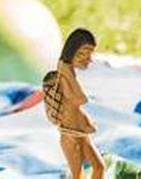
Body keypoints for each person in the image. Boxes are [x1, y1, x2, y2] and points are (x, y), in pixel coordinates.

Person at [44, 28, 104, 179]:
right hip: (70, 135)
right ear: (71, 51)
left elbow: (73, 105)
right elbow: (80, 99)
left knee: (98, 167)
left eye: (90, 54)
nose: (89, 59)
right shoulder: (64, 72)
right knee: (80, 174)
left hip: (78, 132)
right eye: (83, 53)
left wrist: (86, 122)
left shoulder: (68, 70)